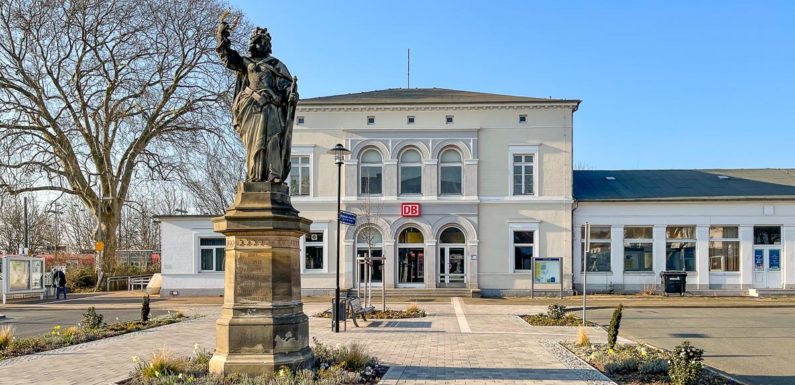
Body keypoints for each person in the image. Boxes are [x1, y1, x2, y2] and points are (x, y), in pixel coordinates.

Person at [215, 17, 299, 183]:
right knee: (254, 142)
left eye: (264, 42)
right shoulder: (246, 62)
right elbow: (227, 56)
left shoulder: (276, 64)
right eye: (258, 41)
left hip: (271, 106)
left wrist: (290, 94)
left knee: (273, 138)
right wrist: (221, 34)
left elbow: (286, 85)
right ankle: (255, 175)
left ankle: (274, 174)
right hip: (251, 106)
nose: (261, 44)